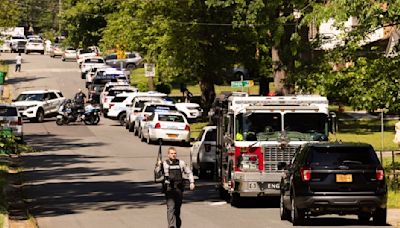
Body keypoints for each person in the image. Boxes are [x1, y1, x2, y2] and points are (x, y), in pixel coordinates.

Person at [156, 147, 195, 228]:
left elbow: (189, 172)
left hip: (179, 189)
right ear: (168, 154)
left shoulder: (181, 163)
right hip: (169, 188)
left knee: (177, 209)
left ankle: (177, 224)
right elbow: (157, 175)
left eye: (175, 153)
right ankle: (171, 226)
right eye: (172, 153)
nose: (173, 155)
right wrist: (159, 166)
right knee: (171, 207)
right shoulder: (164, 164)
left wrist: (192, 182)